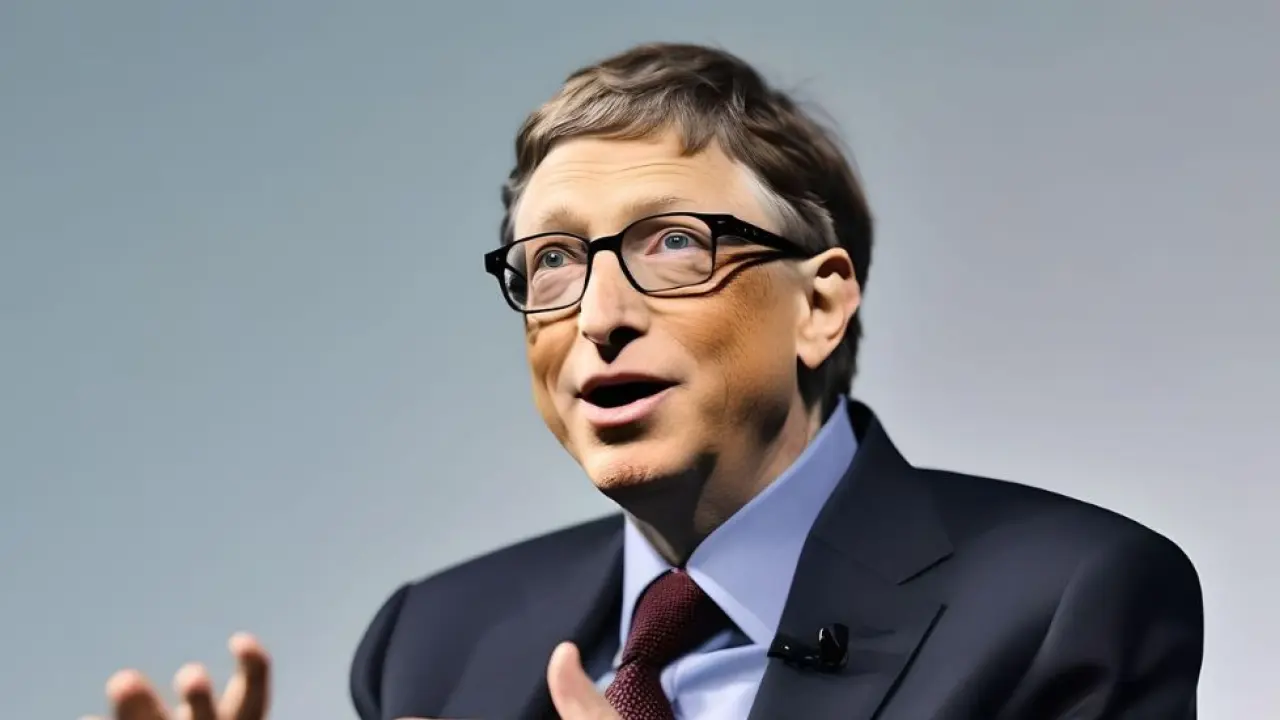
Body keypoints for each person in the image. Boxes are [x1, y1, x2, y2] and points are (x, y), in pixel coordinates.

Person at [88, 42, 1204, 720]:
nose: (598, 314)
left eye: (673, 244)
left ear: (819, 304)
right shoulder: (432, 643)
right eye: (552, 262)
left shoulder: (1070, 603)